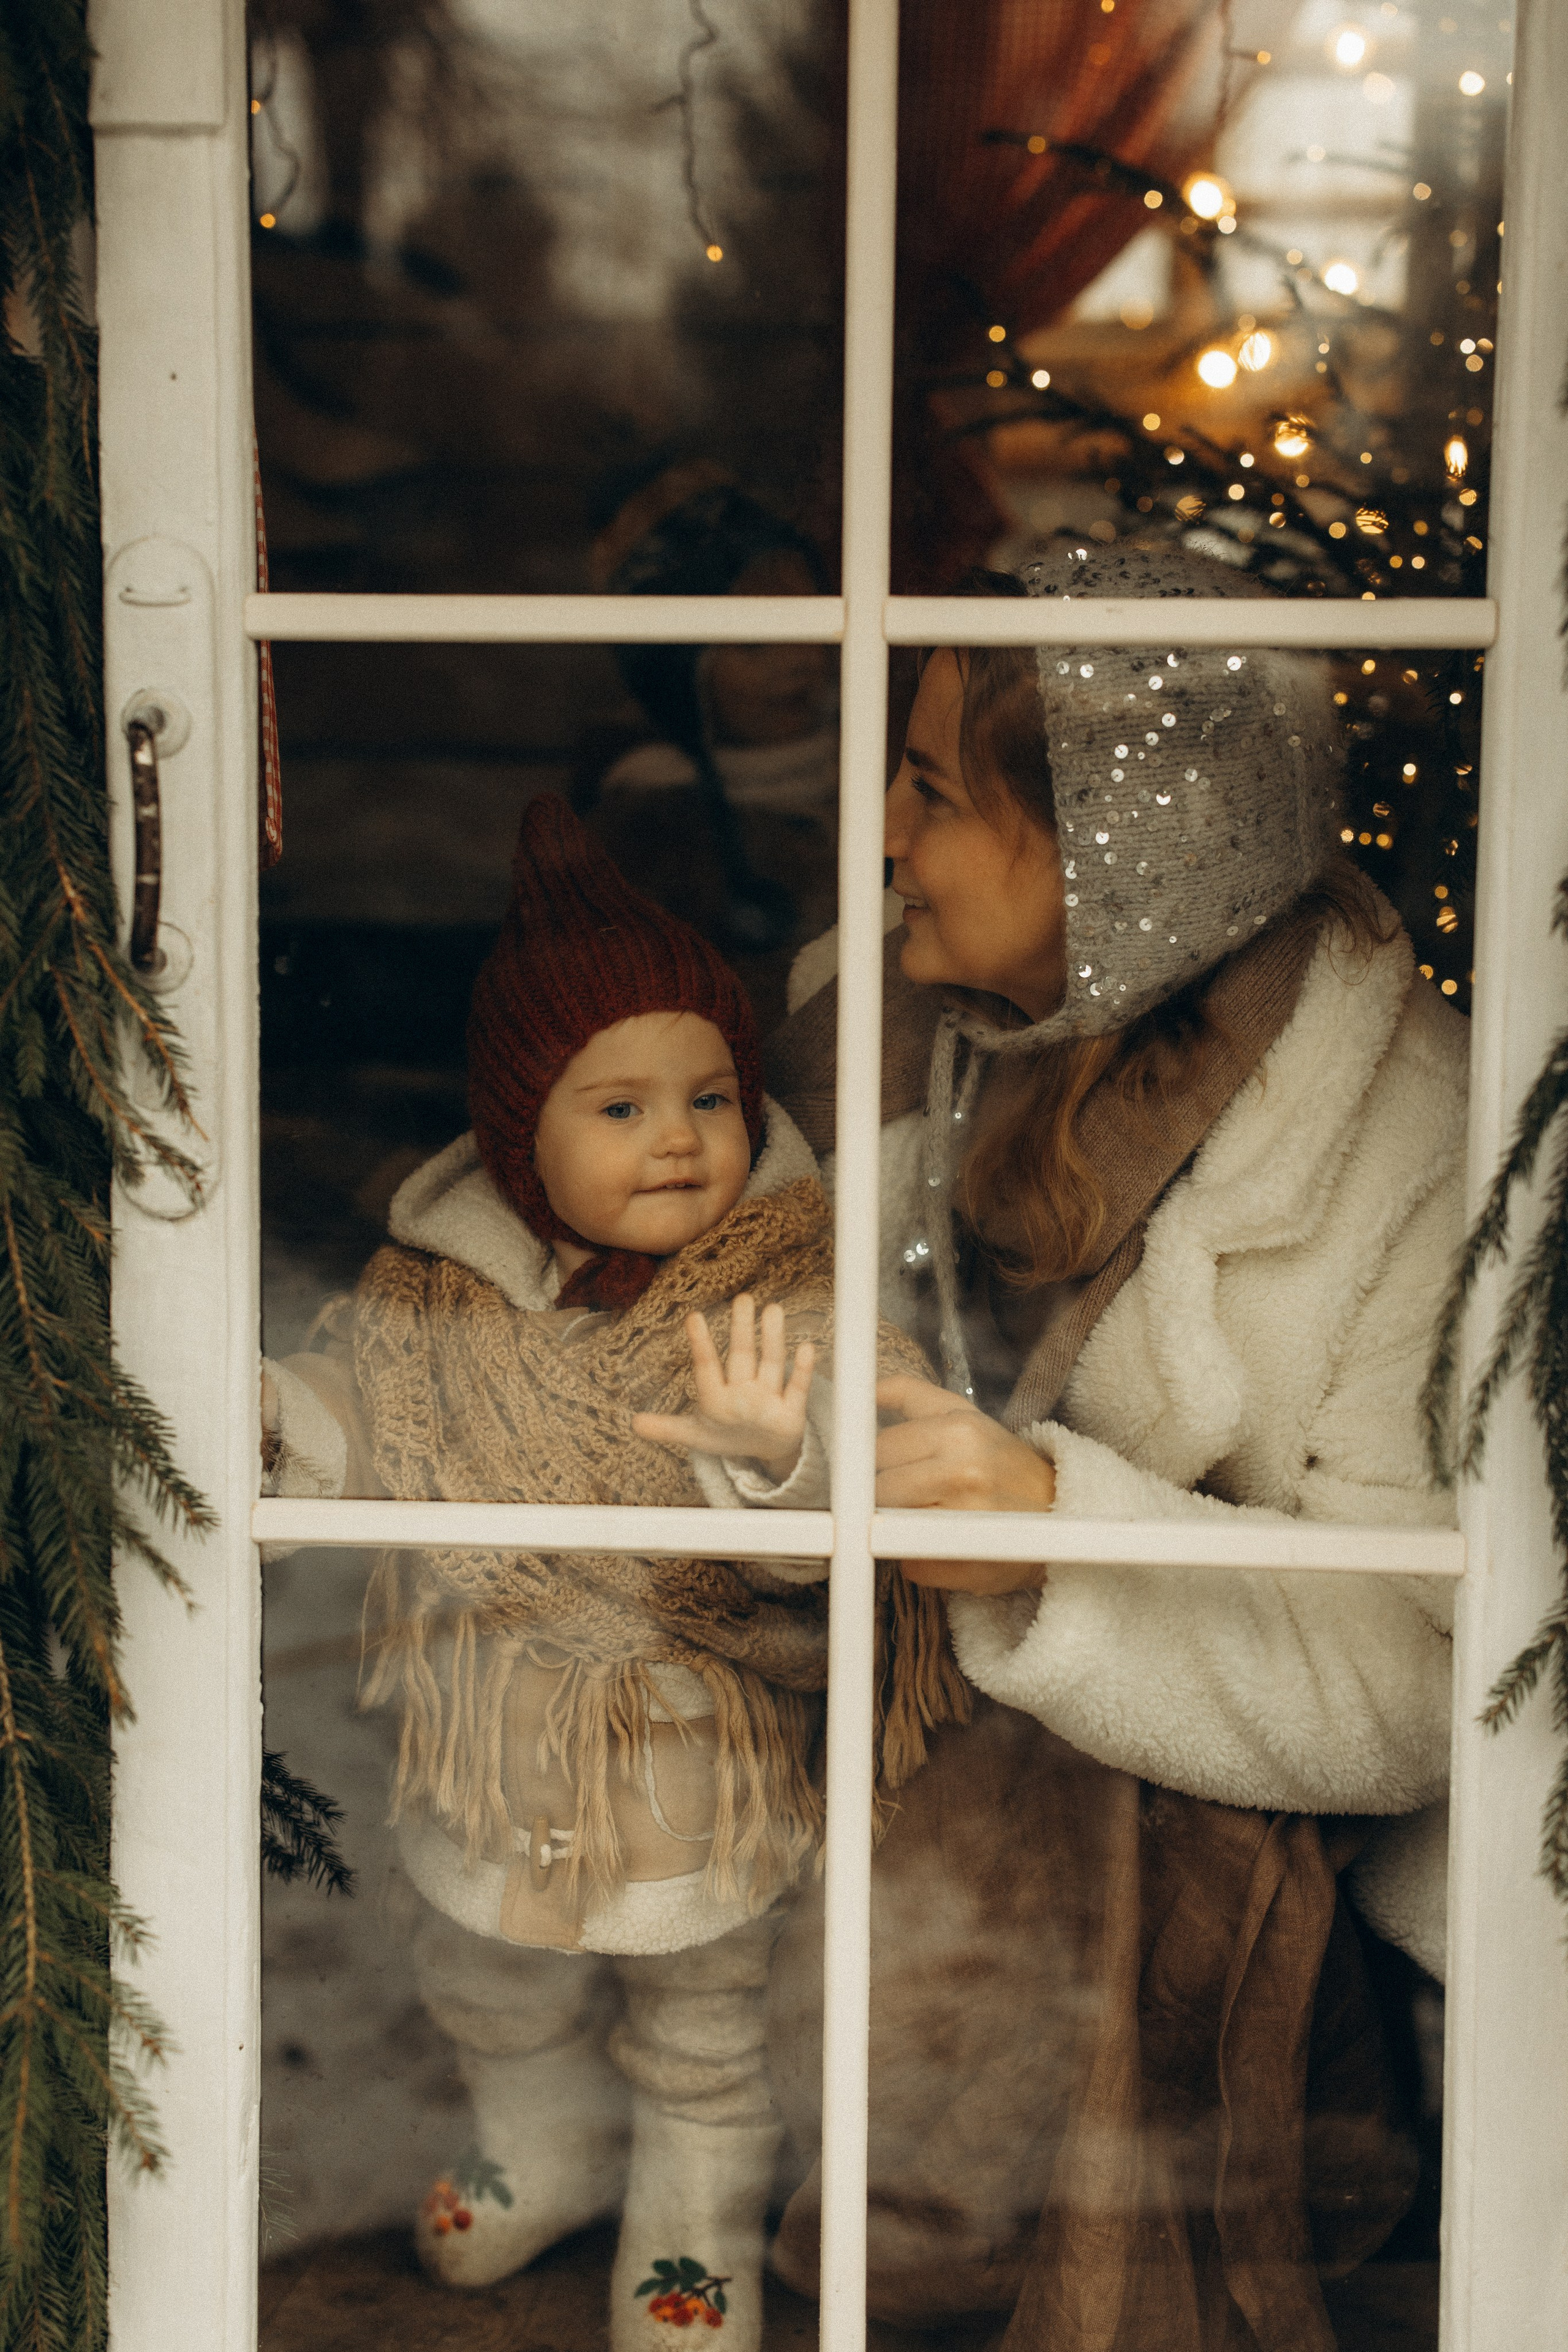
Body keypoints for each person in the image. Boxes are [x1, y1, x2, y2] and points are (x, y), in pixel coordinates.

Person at [759, 543, 1461, 2348]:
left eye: (927, 789)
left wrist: (1052, 1538)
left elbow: (1405, 1690)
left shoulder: (1406, 1150)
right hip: (876, 1865)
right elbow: (807, 1372)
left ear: (1118, 853)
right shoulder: (902, 1023)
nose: (884, 836)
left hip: (1213, 1970)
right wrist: (789, 1448)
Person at [259, 794, 954, 2352]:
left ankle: (692, 2211)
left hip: (693, 1739)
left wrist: (777, 1447)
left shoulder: (793, 1276)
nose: (681, 1136)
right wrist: (282, 1417)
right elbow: (371, 1416)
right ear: (521, 1134)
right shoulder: (440, 1291)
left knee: (703, 2010)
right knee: (481, 1964)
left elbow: (872, 1448)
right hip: (497, 1726)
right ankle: (543, 2134)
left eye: (709, 1093)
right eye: (619, 1106)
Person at [575, 461, 840, 1028]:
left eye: (813, 626)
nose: (799, 661)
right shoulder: (648, 831)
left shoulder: (877, 777)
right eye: (753, 645)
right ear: (681, 680)